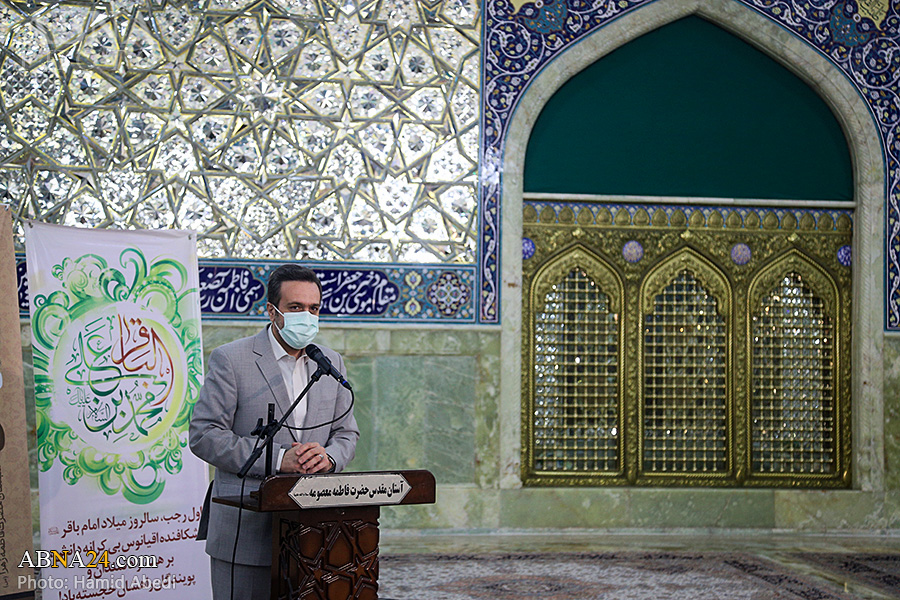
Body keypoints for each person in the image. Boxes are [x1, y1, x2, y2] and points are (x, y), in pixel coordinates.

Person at [189, 264, 359, 600]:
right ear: (272, 311)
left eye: (313, 308)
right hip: (246, 531)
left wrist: (328, 457)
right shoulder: (232, 359)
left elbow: (346, 434)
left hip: (314, 532)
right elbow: (204, 434)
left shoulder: (330, 362)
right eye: (295, 307)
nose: (306, 316)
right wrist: (280, 460)